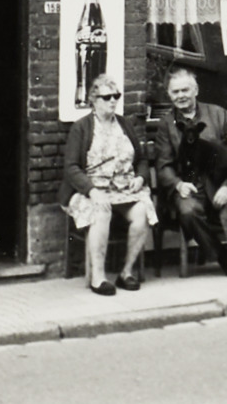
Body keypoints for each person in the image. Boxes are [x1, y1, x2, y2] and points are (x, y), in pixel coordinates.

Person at [155, 67, 227, 277]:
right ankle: (223, 257)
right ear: (169, 95)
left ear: (196, 90)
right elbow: (163, 164)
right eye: (175, 92)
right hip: (190, 186)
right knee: (188, 211)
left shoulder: (218, 114)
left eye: (185, 90)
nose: (181, 96)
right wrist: (178, 185)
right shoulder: (166, 125)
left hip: (221, 181)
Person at [62, 75, 156, 295]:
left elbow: (141, 159)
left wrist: (140, 178)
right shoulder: (81, 127)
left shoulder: (124, 124)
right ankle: (98, 277)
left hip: (123, 189)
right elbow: (71, 167)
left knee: (142, 210)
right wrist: (92, 191)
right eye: (107, 97)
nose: (113, 101)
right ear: (93, 100)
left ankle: (126, 272)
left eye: (116, 96)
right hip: (88, 191)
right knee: (101, 210)